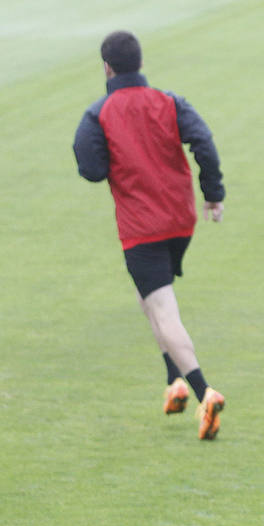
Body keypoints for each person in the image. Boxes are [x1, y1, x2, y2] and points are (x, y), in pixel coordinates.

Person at [73, 30, 227, 440]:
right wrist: (213, 193)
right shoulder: (169, 102)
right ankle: (172, 381)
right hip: (181, 219)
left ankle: (203, 392)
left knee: (161, 308)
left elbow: (90, 168)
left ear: (107, 66)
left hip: (141, 229)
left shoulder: (98, 114)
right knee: (149, 299)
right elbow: (204, 142)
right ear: (140, 62)